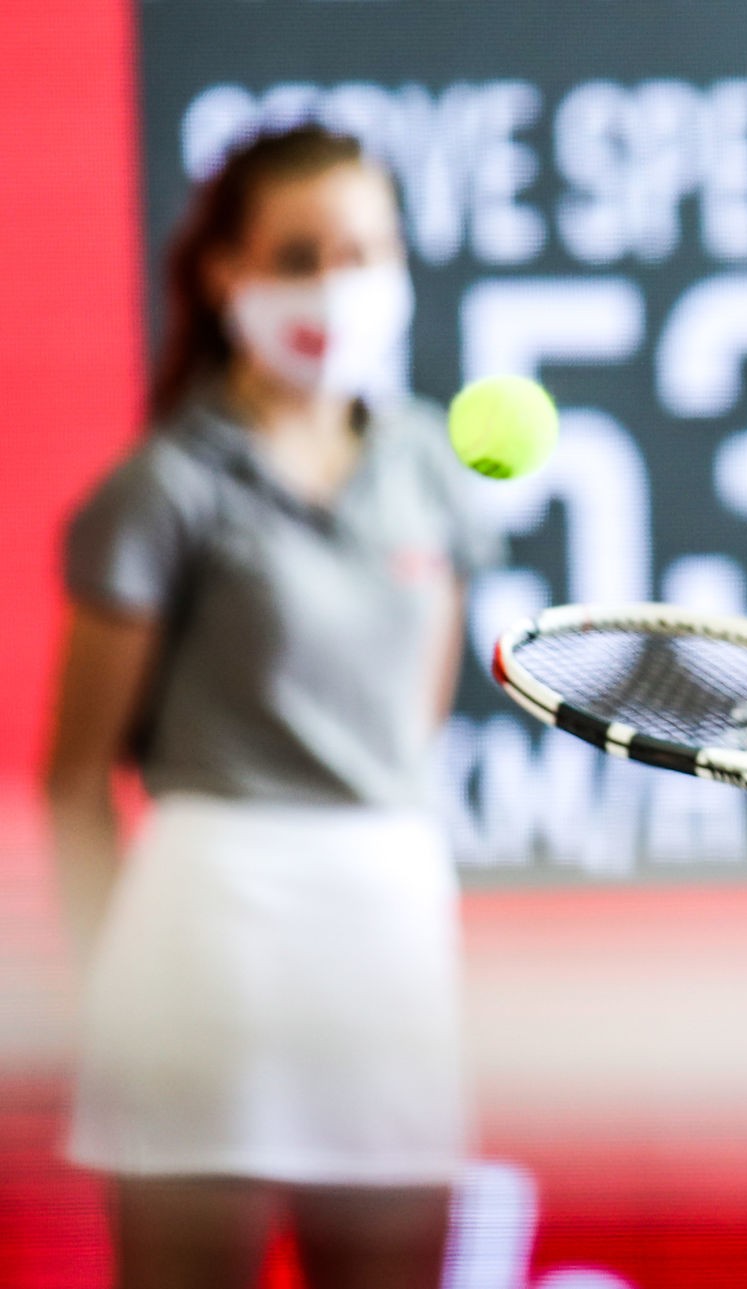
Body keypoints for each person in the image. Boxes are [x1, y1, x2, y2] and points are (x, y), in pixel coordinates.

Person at [43, 124, 496, 1288]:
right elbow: (74, 778)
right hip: (210, 931)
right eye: (299, 256)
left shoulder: (426, 467)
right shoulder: (164, 487)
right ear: (223, 273)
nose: (337, 287)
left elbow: (412, 720)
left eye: (366, 253)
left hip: (390, 922)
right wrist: (108, 997)